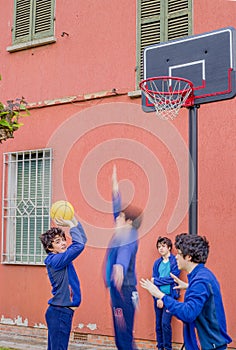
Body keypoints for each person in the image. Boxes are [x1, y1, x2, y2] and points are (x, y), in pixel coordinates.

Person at [140, 233, 232, 350]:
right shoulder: (202, 276)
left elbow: (188, 313)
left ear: (188, 256)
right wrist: (188, 286)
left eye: (178, 253)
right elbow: (206, 294)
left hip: (209, 345)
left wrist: (160, 295)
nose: (176, 257)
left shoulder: (200, 280)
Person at [104, 165, 143, 350]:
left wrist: (119, 266)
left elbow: (125, 253)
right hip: (121, 290)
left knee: (123, 338)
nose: (116, 219)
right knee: (124, 335)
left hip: (123, 291)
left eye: (120, 218)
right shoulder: (124, 233)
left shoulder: (128, 236)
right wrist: (114, 187)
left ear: (128, 222)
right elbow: (116, 210)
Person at [40, 216, 87, 350]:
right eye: (58, 241)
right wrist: (71, 226)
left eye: (63, 239)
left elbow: (82, 241)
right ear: (50, 247)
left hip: (60, 312)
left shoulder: (62, 258)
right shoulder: (55, 261)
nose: (63, 243)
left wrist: (75, 223)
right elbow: (79, 245)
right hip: (60, 313)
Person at [152, 236, 180, 350]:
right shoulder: (157, 263)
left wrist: (157, 280)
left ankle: (167, 348)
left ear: (169, 247)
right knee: (158, 325)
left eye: (163, 246)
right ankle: (160, 347)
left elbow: (173, 278)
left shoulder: (174, 261)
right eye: (159, 247)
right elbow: (153, 281)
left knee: (165, 324)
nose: (161, 249)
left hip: (170, 297)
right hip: (158, 297)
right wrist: (158, 297)